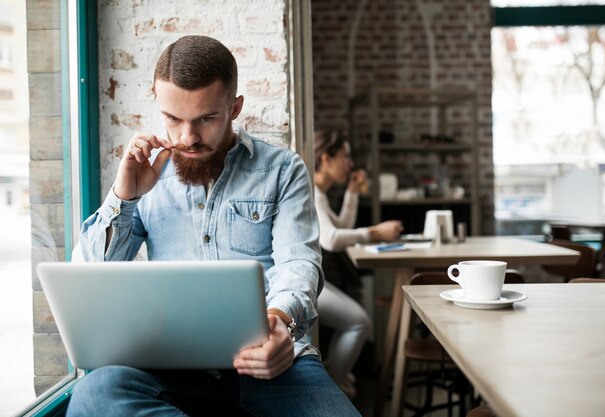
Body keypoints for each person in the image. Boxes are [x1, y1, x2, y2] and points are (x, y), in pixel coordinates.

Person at [67, 35, 361, 417]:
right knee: (93, 395)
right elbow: (87, 280)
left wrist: (280, 323)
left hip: (273, 361)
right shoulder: (145, 175)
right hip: (173, 365)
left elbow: (299, 264)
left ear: (234, 107)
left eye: (206, 118)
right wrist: (124, 198)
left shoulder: (283, 170)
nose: (188, 137)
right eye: (173, 119)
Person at [313, 130, 403, 398]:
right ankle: (330, 390)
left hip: (314, 278)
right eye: (346, 157)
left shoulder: (319, 193)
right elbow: (331, 239)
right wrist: (374, 232)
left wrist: (352, 194)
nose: (351, 164)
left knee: (358, 321)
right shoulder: (312, 191)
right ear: (326, 158)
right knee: (359, 322)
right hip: (303, 280)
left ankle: (334, 380)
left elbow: (339, 227)